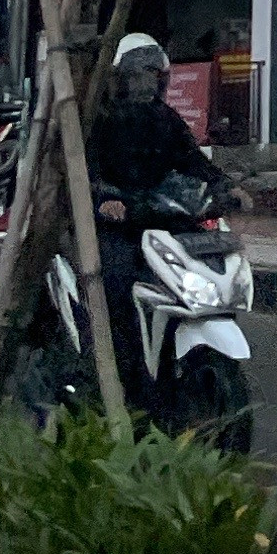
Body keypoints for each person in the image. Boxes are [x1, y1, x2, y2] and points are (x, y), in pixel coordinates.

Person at [87, 30, 235, 400]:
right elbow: (86, 170)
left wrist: (224, 186)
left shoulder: (165, 119)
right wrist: (106, 198)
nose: (146, 83)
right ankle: (121, 372)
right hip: (118, 226)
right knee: (117, 284)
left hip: (158, 218)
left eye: (153, 75)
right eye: (139, 75)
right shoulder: (100, 118)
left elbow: (192, 160)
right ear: (121, 77)